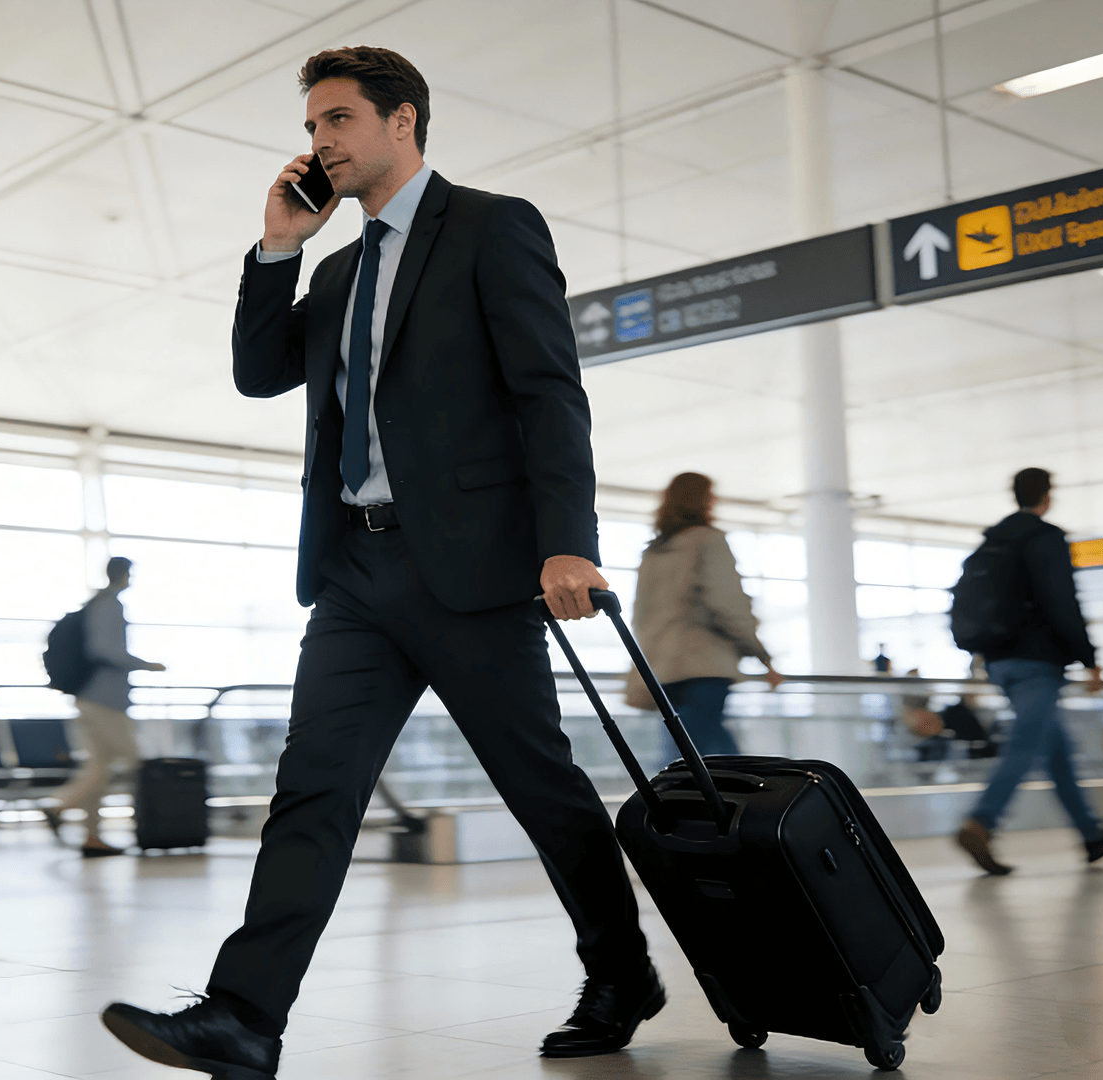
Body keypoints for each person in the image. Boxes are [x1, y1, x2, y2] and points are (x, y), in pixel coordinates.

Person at [100, 48, 658, 1080]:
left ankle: (622, 970)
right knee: (313, 786)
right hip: (356, 575)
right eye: (314, 126)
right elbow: (260, 372)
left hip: (476, 572)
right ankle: (244, 1017)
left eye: (340, 119)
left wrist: (567, 541)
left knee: (540, 787)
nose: (321, 142)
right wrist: (279, 246)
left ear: (403, 122)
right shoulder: (341, 266)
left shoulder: (493, 227)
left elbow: (549, 391)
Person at [954, 468, 1103, 876]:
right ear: (1047, 496)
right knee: (1026, 744)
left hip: (999, 661)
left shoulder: (992, 542)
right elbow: (1062, 601)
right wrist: (1088, 658)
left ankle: (1092, 836)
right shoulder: (1045, 537)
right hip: (1037, 661)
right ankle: (981, 822)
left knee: (1055, 751)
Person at [626, 472, 781, 757]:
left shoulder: (654, 552)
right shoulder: (708, 541)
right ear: (702, 501)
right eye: (711, 496)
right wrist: (763, 657)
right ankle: (743, 799)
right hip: (703, 664)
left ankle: (673, 801)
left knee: (680, 751)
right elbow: (727, 605)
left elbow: (641, 616)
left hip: (662, 667)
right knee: (715, 753)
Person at [43, 557, 165, 857]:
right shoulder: (109, 605)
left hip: (89, 698)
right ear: (122, 574)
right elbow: (105, 649)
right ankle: (58, 807)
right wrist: (145, 665)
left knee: (98, 768)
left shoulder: (95, 603)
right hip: (104, 700)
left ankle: (92, 837)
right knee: (134, 760)